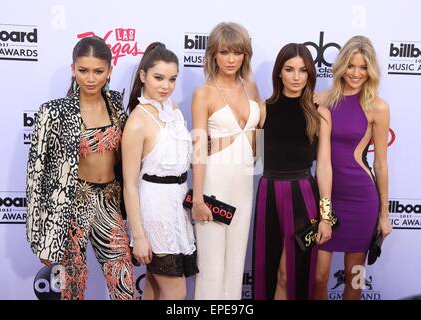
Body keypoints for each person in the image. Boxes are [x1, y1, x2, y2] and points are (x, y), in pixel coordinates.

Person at [26, 36, 135, 300]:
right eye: (83, 70)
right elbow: (35, 176)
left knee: (124, 287)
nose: (90, 78)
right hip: (70, 206)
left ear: (110, 71)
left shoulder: (117, 106)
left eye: (98, 71)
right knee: (70, 290)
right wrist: (42, 237)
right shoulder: (53, 112)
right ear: (73, 69)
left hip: (108, 201)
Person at [252, 43, 333, 300]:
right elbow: (254, 159)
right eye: (289, 69)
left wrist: (326, 216)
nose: (296, 77)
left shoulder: (320, 114)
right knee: (269, 272)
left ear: (310, 74)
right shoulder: (263, 110)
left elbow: (324, 166)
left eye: (303, 70)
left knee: (292, 274)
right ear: (279, 73)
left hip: (303, 197)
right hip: (269, 195)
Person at [314, 35, 392, 300]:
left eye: (363, 67)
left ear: (371, 70)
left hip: (361, 200)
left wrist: (384, 213)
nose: (356, 73)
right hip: (326, 197)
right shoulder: (322, 99)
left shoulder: (377, 107)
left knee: (354, 279)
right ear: (341, 66)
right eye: (351, 65)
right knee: (318, 276)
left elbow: (381, 163)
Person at [191, 22, 261, 300]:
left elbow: (259, 138)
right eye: (224, 52)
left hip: (244, 186)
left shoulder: (252, 88)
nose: (231, 59)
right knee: (210, 269)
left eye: (237, 52)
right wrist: (198, 198)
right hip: (213, 185)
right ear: (213, 55)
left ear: (245, 55)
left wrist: (257, 166)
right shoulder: (204, 93)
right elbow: (198, 149)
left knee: (235, 267)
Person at [123, 42, 198, 300]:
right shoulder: (137, 122)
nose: (166, 86)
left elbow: (181, 159)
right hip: (155, 209)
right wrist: (139, 236)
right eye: (158, 78)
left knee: (155, 287)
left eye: (172, 79)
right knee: (175, 293)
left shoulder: (174, 110)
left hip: (178, 203)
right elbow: (130, 185)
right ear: (143, 76)